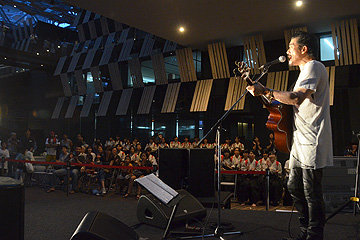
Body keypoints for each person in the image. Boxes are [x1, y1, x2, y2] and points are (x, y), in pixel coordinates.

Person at [247, 31, 333, 240]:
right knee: (294, 185)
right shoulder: (305, 71)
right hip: (300, 140)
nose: (287, 51)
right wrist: (263, 94)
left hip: (313, 139)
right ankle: (304, 232)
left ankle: (314, 236)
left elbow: (295, 98)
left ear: (303, 49)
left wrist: (266, 90)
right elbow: (286, 101)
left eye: (291, 47)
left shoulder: (314, 66)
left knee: (311, 191)